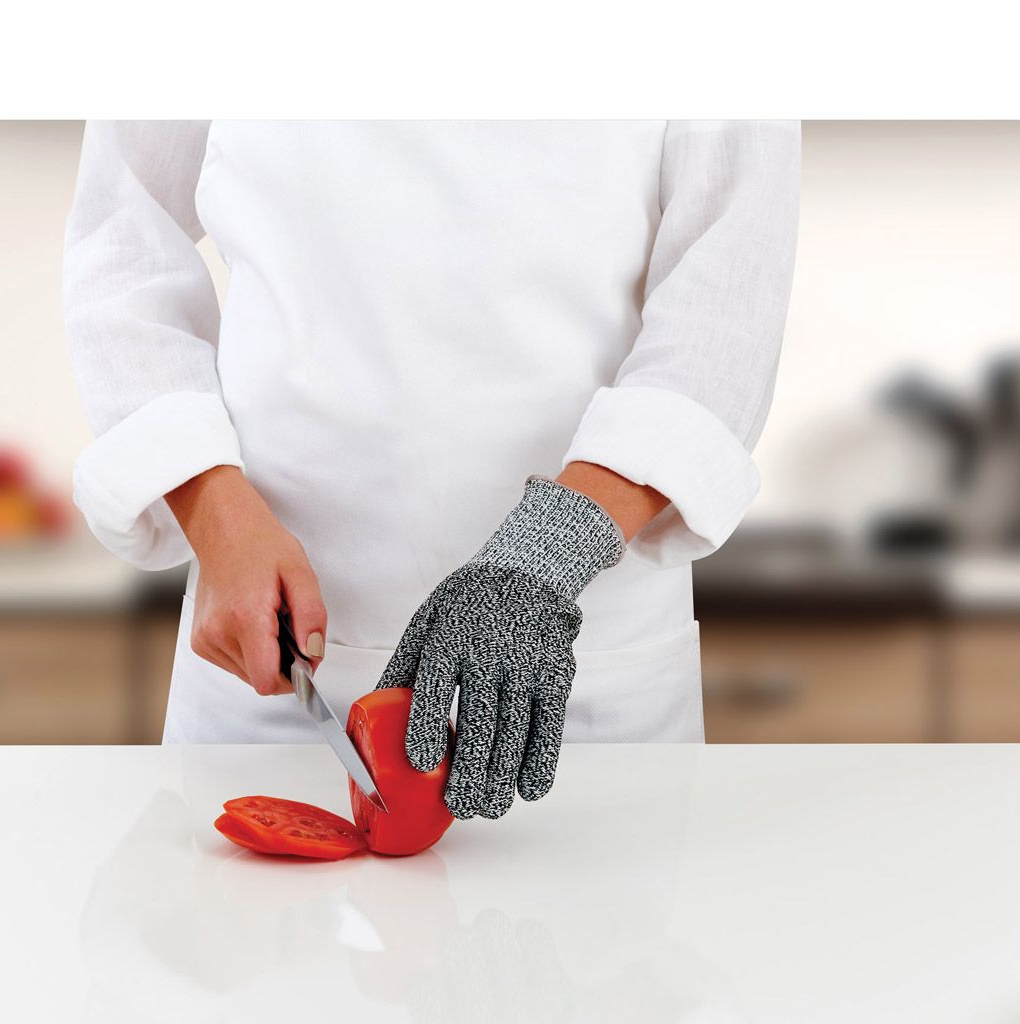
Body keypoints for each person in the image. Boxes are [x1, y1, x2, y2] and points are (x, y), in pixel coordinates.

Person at [65, 120, 799, 819]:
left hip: (581, 680)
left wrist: (549, 553)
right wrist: (214, 513)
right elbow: (122, 241)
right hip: (272, 675)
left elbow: (726, 299)